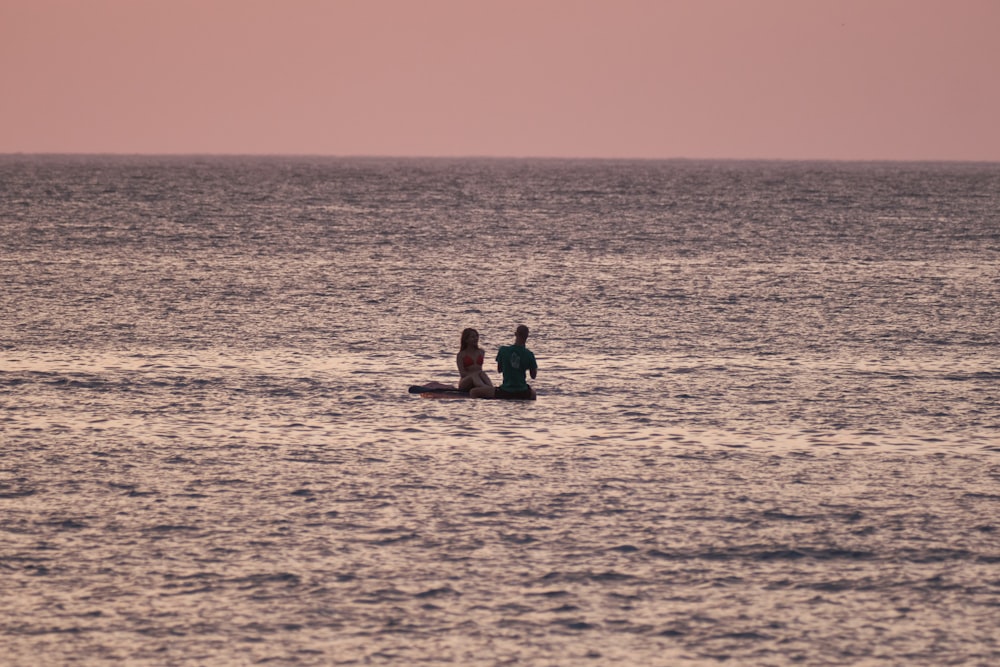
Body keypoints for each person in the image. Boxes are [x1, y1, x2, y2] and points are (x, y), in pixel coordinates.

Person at [471, 324, 537, 400]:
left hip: (505, 391)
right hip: (523, 391)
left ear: (515, 334)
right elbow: (533, 376)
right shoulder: (529, 354)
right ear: (527, 336)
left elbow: (500, 370)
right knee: (533, 394)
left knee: (473, 392)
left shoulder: (503, 350)